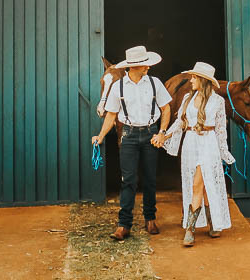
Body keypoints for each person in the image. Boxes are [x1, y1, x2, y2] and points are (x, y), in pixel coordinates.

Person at [92, 45, 172, 241]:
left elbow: (166, 109)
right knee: (128, 180)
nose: (148, 67)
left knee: (150, 179)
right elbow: (111, 115)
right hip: (128, 135)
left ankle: (150, 218)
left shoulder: (154, 83)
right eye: (145, 65)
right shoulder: (118, 87)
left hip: (150, 133)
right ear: (134, 67)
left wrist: (162, 133)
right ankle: (124, 224)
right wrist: (101, 136)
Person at [152, 62, 235, 247]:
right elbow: (180, 123)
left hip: (209, 143)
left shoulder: (218, 102)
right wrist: (164, 136)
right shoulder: (188, 98)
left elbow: (221, 130)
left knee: (198, 183)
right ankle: (213, 220)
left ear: (203, 80)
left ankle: (190, 229)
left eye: (194, 77)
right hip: (190, 142)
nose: (190, 80)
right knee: (200, 183)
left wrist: (224, 152)